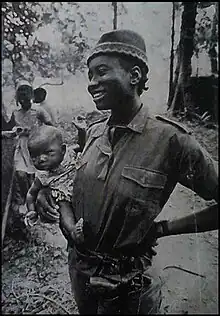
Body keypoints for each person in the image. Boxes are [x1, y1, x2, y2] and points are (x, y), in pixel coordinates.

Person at [35, 30, 218, 314]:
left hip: (127, 286)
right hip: (81, 271)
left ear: (134, 75)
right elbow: (77, 184)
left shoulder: (171, 141)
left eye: (101, 72)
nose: (92, 83)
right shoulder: (95, 133)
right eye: (90, 75)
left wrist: (163, 229)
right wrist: (48, 193)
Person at [24, 125, 84, 245]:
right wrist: (31, 211)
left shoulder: (70, 154)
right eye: (34, 156)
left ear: (62, 150)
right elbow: (31, 193)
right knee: (63, 207)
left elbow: (84, 145)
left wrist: (82, 132)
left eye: (48, 152)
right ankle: (73, 231)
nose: (41, 159)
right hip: (64, 197)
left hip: (82, 188)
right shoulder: (42, 176)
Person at [6, 81, 53, 229]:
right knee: (20, 174)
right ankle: (28, 200)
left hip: (35, 145)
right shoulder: (16, 113)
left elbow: (50, 125)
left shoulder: (38, 111)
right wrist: (15, 131)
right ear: (19, 100)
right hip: (21, 146)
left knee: (34, 176)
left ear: (31, 98)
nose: (25, 103)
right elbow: (12, 127)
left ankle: (35, 204)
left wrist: (40, 133)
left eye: (27, 100)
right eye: (22, 101)